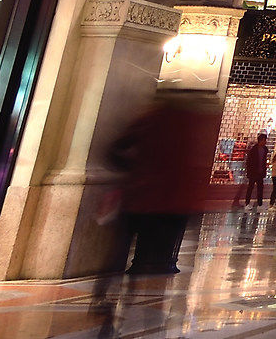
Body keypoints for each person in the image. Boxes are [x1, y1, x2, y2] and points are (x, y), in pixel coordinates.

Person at [92, 90, 219, 324]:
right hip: (169, 204)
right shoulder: (192, 126)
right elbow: (194, 167)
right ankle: (133, 301)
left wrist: (132, 169)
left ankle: (106, 295)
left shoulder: (151, 119)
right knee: (149, 256)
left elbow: (116, 149)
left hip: (139, 196)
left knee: (121, 249)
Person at [240, 131, 269, 209]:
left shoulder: (265, 149)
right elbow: (249, 161)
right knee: (250, 187)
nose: (265, 142)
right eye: (264, 140)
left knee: (260, 188)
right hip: (253, 172)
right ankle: (247, 203)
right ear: (261, 140)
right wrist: (249, 171)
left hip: (260, 172)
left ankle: (260, 204)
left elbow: (264, 161)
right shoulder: (253, 150)